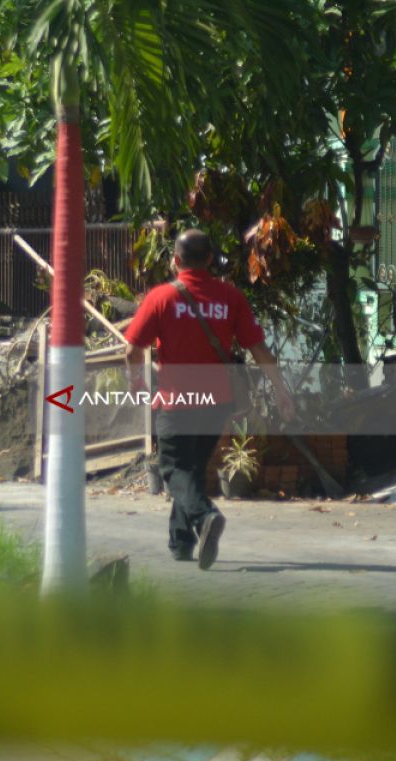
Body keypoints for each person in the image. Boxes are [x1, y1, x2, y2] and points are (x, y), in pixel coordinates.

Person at [124, 229, 294, 570]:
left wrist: (137, 382)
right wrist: (282, 391)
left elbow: (132, 349)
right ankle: (181, 541)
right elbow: (258, 349)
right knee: (192, 468)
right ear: (211, 260)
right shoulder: (230, 297)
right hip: (217, 401)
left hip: (177, 400)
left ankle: (205, 517)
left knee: (173, 469)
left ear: (175, 260)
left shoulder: (160, 298)